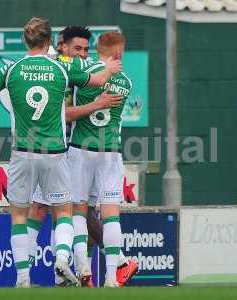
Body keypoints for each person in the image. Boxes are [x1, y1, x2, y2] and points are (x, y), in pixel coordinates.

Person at [0, 17, 122, 288]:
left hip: (22, 153)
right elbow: (99, 80)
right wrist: (110, 67)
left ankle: (23, 278)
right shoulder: (60, 68)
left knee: (20, 216)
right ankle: (61, 259)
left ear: (26, 40)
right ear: (49, 41)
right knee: (65, 212)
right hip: (55, 153)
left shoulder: (11, 70)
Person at [68, 32, 136, 287]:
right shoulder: (126, 82)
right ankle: (110, 278)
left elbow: (76, 76)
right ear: (118, 53)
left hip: (80, 148)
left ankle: (83, 267)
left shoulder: (85, 72)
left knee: (78, 210)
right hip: (110, 152)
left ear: (97, 49)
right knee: (111, 215)